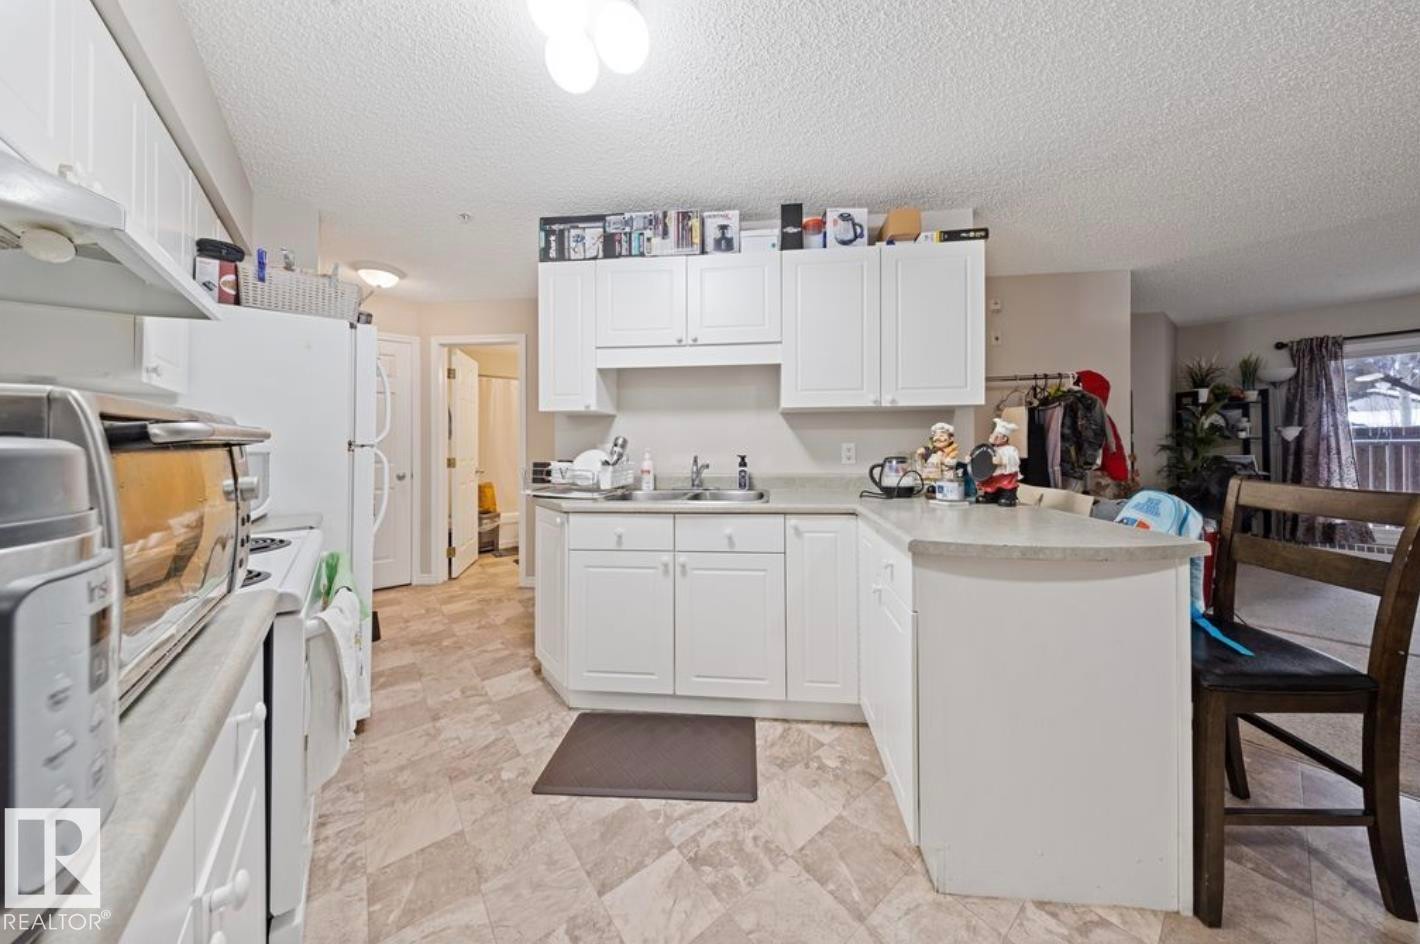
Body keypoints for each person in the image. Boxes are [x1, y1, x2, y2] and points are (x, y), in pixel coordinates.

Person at [975, 418, 1022, 506]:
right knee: (990, 489)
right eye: (993, 434)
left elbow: (1014, 460)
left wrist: (1003, 460)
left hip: (1005, 479)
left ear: (1004, 438)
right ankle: (990, 497)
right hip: (993, 478)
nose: (993, 437)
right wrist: (972, 459)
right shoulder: (990, 449)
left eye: (997, 435)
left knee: (1007, 491)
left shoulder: (1011, 449)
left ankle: (1009, 498)